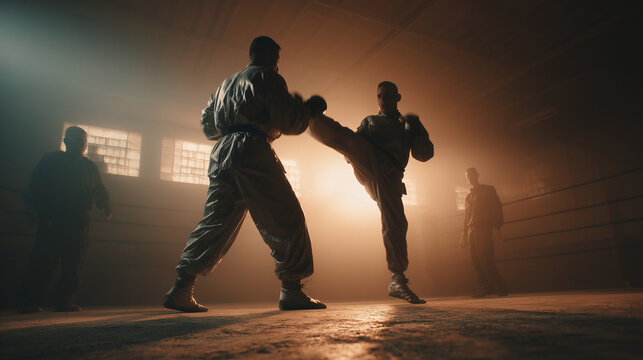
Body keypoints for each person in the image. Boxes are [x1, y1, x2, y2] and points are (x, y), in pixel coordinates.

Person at [163, 36, 326, 312]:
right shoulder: (268, 77)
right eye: (277, 58)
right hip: (252, 149)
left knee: (216, 221)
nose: (278, 64)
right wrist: (307, 110)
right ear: (268, 55)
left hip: (222, 151)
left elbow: (207, 126)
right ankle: (291, 289)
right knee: (288, 218)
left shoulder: (225, 84)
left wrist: (232, 127)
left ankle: (181, 287)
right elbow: (289, 122)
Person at [306, 81, 434, 304]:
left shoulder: (407, 124)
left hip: (391, 175)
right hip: (369, 161)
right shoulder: (371, 121)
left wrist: (417, 130)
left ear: (398, 97)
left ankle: (397, 280)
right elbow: (349, 149)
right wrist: (358, 158)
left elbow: (424, 155)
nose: (382, 100)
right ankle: (311, 118)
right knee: (349, 139)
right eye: (379, 96)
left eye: (387, 95)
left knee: (396, 223)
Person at [18, 126, 112, 313]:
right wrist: (36, 211)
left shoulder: (88, 166)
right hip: (53, 217)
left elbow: (99, 190)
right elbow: (36, 186)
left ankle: (64, 299)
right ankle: (30, 300)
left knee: (74, 261)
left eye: (84, 140)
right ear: (66, 141)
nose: (81, 144)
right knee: (43, 260)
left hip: (78, 220)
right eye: (77, 139)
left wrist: (106, 205)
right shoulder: (51, 161)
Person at [459, 167, 508, 297]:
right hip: (471, 230)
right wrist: (464, 234)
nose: (469, 178)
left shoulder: (488, 190)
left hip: (483, 228)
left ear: (477, 175)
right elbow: (466, 216)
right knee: (475, 260)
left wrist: (497, 227)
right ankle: (485, 287)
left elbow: (496, 207)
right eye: (467, 176)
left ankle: (500, 287)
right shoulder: (468, 197)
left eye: (471, 175)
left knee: (486, 258)